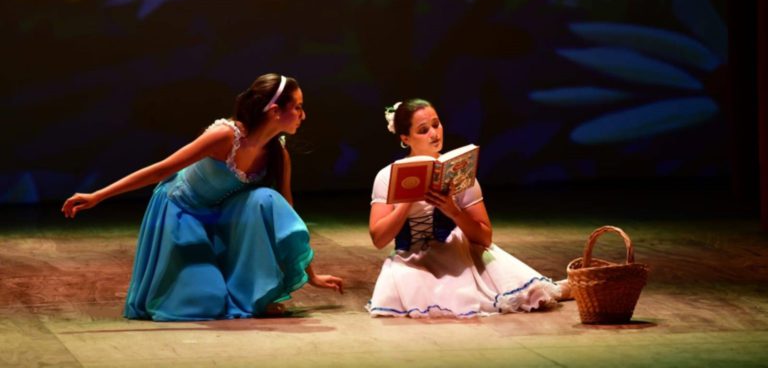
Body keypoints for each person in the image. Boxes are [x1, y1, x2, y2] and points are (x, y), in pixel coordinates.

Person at [62, 73, 343, 321]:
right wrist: (98, 195)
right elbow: (161, 169)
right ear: (274, 111)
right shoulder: (225, 136)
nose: (303, 115)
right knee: (205, 303)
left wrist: (310, 274)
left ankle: (246, 289)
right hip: (182, 214)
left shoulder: (277, 154)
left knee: (267, 199)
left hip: (222, 220)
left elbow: (286, 215)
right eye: (298, 107)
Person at [367, 99, 569, 318]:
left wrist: (453, 211)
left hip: (457, 254)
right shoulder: (388, 176)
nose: (434, 133)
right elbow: (379, 239)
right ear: (405, 138)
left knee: (533, 294)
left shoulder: (457, 169)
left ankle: (567, 287)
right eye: (423, 130)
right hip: (412, 261)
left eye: (436, 124)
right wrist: (406, 202)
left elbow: (485, 237)